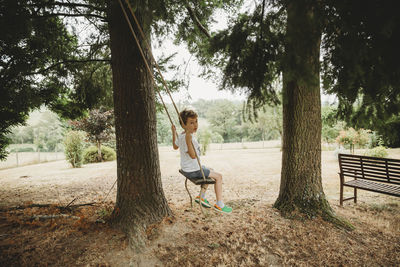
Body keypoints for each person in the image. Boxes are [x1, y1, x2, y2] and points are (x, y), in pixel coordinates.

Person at [172, 109, 232, 214]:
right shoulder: (188, 138)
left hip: (187, 168)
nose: (195, 125)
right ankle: (219, 204)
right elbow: (193, 156)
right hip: (193, 170)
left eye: (196, 121)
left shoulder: (181, 135)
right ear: (183, 124)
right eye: (191, 122)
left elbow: (175, 146)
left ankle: (202, 196)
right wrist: (188, 141)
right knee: (219, 177)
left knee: (210, 170)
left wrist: (174, 133)